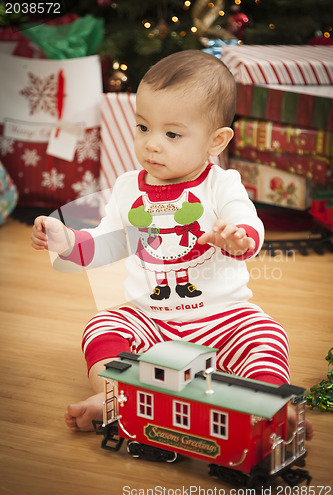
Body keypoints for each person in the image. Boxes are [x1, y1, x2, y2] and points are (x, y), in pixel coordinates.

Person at [31, 50, 313, 440]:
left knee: (266, 334)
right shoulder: (129, 187)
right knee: (102, 325)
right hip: (152, 320)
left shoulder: (222, 184)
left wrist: (236, 237)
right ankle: (116, 397)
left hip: (223, 318)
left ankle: (266, 407)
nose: (152, 145)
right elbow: (107, 243)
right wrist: (67, 240)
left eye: (172, 134)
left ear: (216, 141)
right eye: (143, 128)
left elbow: (250, 226)